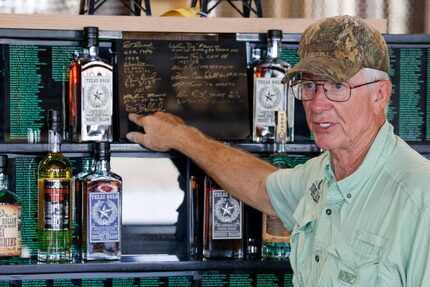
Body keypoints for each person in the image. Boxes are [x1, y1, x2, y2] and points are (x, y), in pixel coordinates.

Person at [126, 15, 430, 286]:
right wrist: (182, 137)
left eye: (338, 86)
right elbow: (261, 186)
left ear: (380, 95)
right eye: (309, 86)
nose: (318, 105)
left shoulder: (420, 199)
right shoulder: (321, 175)